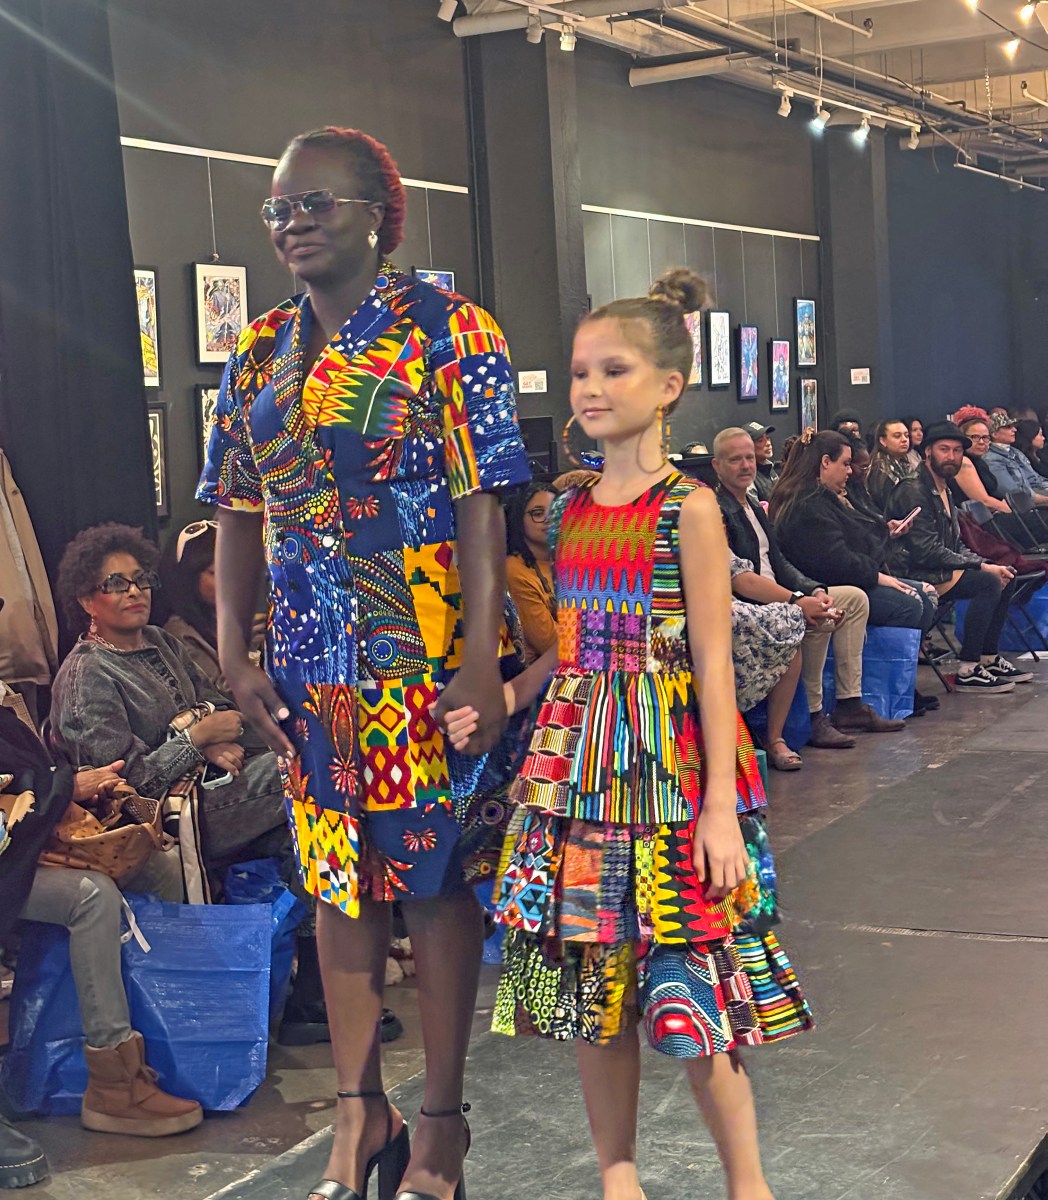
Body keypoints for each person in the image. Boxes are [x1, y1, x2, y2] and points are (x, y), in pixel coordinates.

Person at [197, 126, 532, 1200]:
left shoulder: (448, 329)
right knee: (337, 879)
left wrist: (479, 658)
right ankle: (358, 1110)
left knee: (432, 883)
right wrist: (232, 651)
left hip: (419, 655)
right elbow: (236, 509)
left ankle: (439, 1124)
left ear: (379, 216)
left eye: (315, 204)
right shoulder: (258, 351)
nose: (293, 223)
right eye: (278, 208)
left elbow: (484, 501)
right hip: (308, 660)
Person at [448, 268, 813, 1200]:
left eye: (614, 370)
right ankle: (619, 1177)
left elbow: (715, 661)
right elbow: (573, 645)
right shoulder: (569, 508)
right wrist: (503, 695)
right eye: (580, 372)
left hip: (669, 769)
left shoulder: (689, 507)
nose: (590, 388)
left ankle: (748, 1184)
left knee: (699, 983)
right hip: (575, 769)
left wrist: (721, 806)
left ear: (668, 385)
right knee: (591, 990)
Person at [0, 660, 202, 1137]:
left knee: (157, 863)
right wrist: (66, 786)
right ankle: (114, 1082)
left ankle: (181, 1042)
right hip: (10, 857)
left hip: (23, 843)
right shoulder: (88, 669)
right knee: (92, 897)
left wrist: (73, 789)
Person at [714, 427, 890, 748]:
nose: (746, 465)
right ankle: (812, 714)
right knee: (815, 616)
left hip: (780, 593)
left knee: (854, 599)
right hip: (752, 602)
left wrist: (815, 589)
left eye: (749, 458)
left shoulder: (752, 505)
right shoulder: (719, 511)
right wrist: (798, 599)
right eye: (735, 459)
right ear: (717, 466)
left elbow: (780, 562)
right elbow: (740, 579)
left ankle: (849, 703)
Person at [769, 431, 939, 721]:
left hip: (849, 576)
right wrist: (877, 576)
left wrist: (886, 535)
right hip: (830, 584)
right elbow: (835, 561)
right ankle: (883, 686)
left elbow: (855, 540)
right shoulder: (808, 504)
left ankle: (898, 684)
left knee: (925, 595)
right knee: (910, 604)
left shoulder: (826, 497)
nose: (850, 471)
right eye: (845, 464)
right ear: (825, 462)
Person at [886, 422, 1031, 693]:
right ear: (928, 451)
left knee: (1004, 574)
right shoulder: (914, 489)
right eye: (944, 449)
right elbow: (925, 550)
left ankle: (988, 657)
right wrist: (979, 566)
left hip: (937, 566)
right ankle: (968, 668)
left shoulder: (944, 488)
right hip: (913, 571)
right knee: (987, 582)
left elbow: (954, 544)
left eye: (956, 451)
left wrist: (987, 564)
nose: (951, 456)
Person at [504, 482, 558, 664]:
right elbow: (551, 643)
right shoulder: (514, 569)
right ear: (520, 520)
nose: (548, 519)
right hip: (541, 672)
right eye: (538, 513)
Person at [982, 412, 1048, 505]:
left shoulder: (1015, 452)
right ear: (994, 434)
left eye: (1013, 426)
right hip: (1025, 507)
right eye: (1008, 427)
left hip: (1038, 495)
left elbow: (1036, 479)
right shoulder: (991, 460)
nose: (1014, 430)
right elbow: (1015, 495)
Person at [866, 419, 915, 510]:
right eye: (897, 436)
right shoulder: (879, 470)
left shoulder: (904, 464)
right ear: (883, 441)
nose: (904, 440)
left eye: (907, 435)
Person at [742, 421, 778, 503]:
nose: (768, 443)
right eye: (760, 440)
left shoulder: (769, 468)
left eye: (767, 438)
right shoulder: (747, 477)